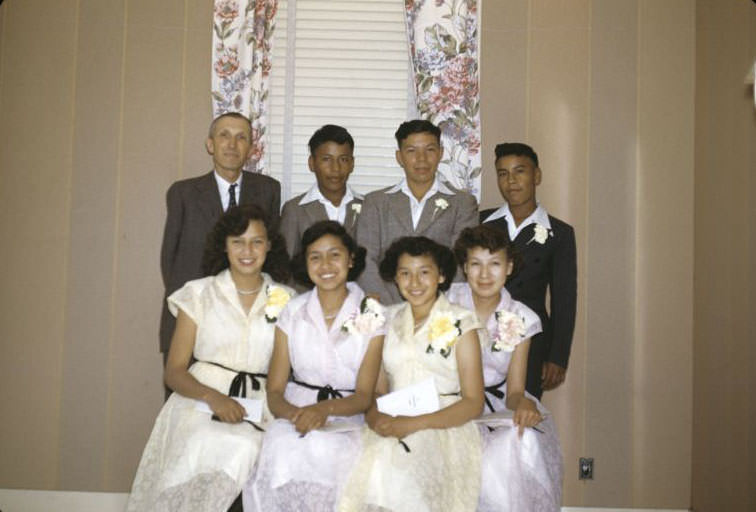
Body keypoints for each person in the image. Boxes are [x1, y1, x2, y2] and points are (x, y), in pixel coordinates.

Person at [127, 205, 294, 511]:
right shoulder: (198, 294)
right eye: (237, 241)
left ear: (269, 245)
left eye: (257, 241)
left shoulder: (286, 299)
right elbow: (175, 372)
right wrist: (214, 397)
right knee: (214, 445)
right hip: (200, 399)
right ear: (224, 245)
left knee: (270, 452)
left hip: (261, 401)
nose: (248, 250)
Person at [244, 221, 385, 511]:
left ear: (351, 259)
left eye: (334, 255)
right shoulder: (292, 312)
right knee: (282, 450)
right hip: (294, 413)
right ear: (305, 263)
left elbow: (364, 396)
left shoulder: (370, 313)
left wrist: (323, 411)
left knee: (328, 451)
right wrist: (297, 415)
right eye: (315, 257)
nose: (326, 265)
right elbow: (274, 390)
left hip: (348, 415)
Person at [338, 237, 484, 512]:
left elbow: (473, 401)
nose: (414, 282)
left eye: (424, 272)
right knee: (362, 464)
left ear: (441, 275)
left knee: (404, 469)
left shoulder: (462, 322)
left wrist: (414, 424)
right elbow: (378, 391)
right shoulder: (388, 319)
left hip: (444, 425)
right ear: (395, 277)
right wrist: (375, 416)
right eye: (405, 273)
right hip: (393, 418)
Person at [448, 225, 563, 511]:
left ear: (509, 267)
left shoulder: (520, 317)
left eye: (495, 264)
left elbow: (513, 390)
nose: (485, 275)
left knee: (517, 441)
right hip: (450, 403)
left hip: (495, 406)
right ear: (465, 267)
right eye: (476, 264)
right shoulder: (446, 302)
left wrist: (523, 402)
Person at [160, 112, 281, 370]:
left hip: (250, 327)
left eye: (241, 138)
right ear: (210, 144)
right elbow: (170, 262)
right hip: (193, 322)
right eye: (224, 135)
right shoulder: (183, 193)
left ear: (251, 147)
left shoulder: (268, 190)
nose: (232, 144)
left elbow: (271, 258)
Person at [480, 143, 577, 398]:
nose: (511, 181)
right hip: (482, 339)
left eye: (519, 171)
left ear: (537, 176)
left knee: (520, 421)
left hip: (531, 341)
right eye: (502, 173)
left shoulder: (560, 233)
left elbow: (564, 298)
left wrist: (558, 356)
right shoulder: (481, 222)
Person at [356, 119, 478, 304]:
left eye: (429, 150)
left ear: (440, 153)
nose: (421, 159)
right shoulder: (376, 202)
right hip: (385, 306)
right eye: (412, 151)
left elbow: (461, 262)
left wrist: (431, 306)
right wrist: (392, 306)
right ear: (399, 157)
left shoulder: (462, 203)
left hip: (441, 309)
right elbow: (365, 260)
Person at [279, 125, 364, 259]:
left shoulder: (368, 207)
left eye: (343, 159)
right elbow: (285, 266)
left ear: (352, 164)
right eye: (326, 159)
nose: (335, 168)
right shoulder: (294, 210)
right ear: (312, 163)